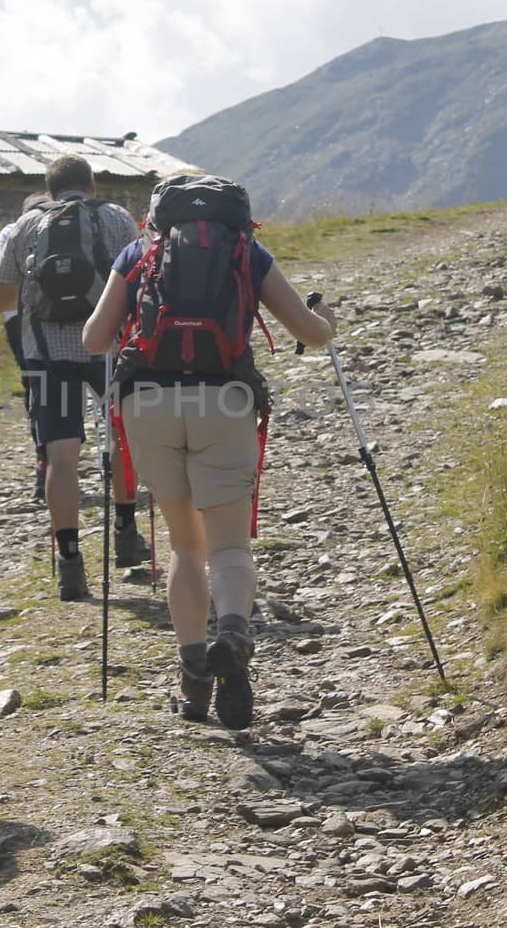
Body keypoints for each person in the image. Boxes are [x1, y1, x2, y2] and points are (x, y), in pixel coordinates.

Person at [81, 175, 335, 730]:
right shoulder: (248, 251)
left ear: (156, 214)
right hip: (225, 398)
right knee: (228, 544)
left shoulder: (139, 252)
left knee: (183, 546)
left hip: (148, 402)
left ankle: (194, 680)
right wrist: (328, 320)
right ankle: (234, 636)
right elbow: (309, 334)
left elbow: (94, 340)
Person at [0, 155, 151, 601]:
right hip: (109, 349)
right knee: (123, 440)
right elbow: (143, 277)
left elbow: (2, 295)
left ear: (50, 188)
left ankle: (69, 563)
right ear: (93, 185)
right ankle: (124, 533)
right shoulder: (116, 217)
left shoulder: (25, 227)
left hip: (46, 354)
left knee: (61, 457)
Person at [0, 193, 51, 500]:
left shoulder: (12, 229)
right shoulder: (68, 223)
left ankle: (43, 460)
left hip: (18, 319)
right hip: (61, 317)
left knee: (35, 384)